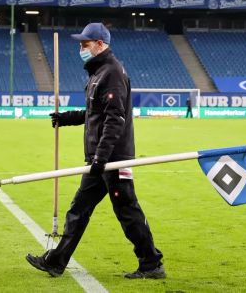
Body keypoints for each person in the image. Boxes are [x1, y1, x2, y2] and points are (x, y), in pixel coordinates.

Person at [26, 23, 165, 280]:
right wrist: (65, 118)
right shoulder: (97, 73)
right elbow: (95, 114)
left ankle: (151, 263)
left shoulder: (111, 72)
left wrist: (101, 157)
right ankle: (56, 261)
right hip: (99, 160)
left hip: (112, 159)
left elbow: (115, 119)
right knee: (78, 211)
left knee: (127, 211)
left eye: (85, 44)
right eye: (80, 44)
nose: (81, 48)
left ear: (100, 44)